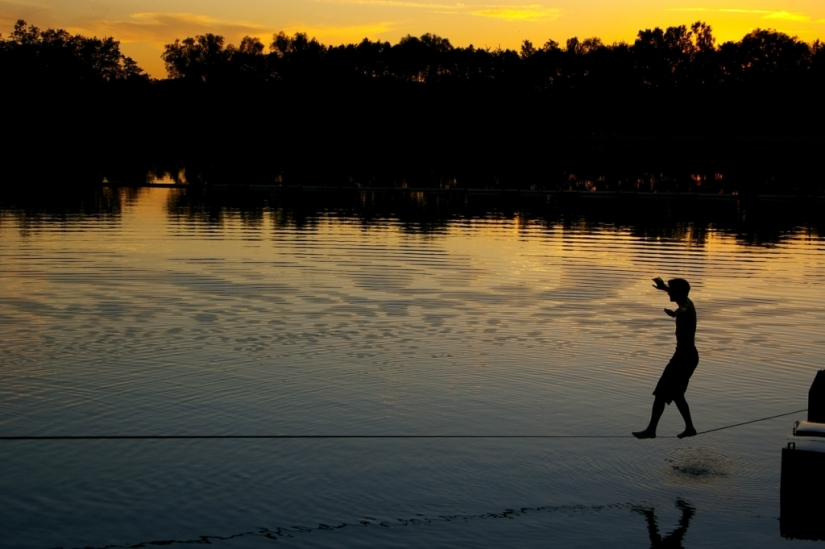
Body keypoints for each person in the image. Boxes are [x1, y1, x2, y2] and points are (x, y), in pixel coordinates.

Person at [633, 277, 698, 439]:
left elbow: (682, 309)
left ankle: (654, 430)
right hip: (683, 356)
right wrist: (663, 288)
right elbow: (680, 300)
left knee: (665, 393)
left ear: (680, 292)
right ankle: (659, 429)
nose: (670, 293)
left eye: (672, 290)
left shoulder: (686, 306)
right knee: (669, 393)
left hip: (685, 357)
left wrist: (674, 314)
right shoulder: (686, 300)